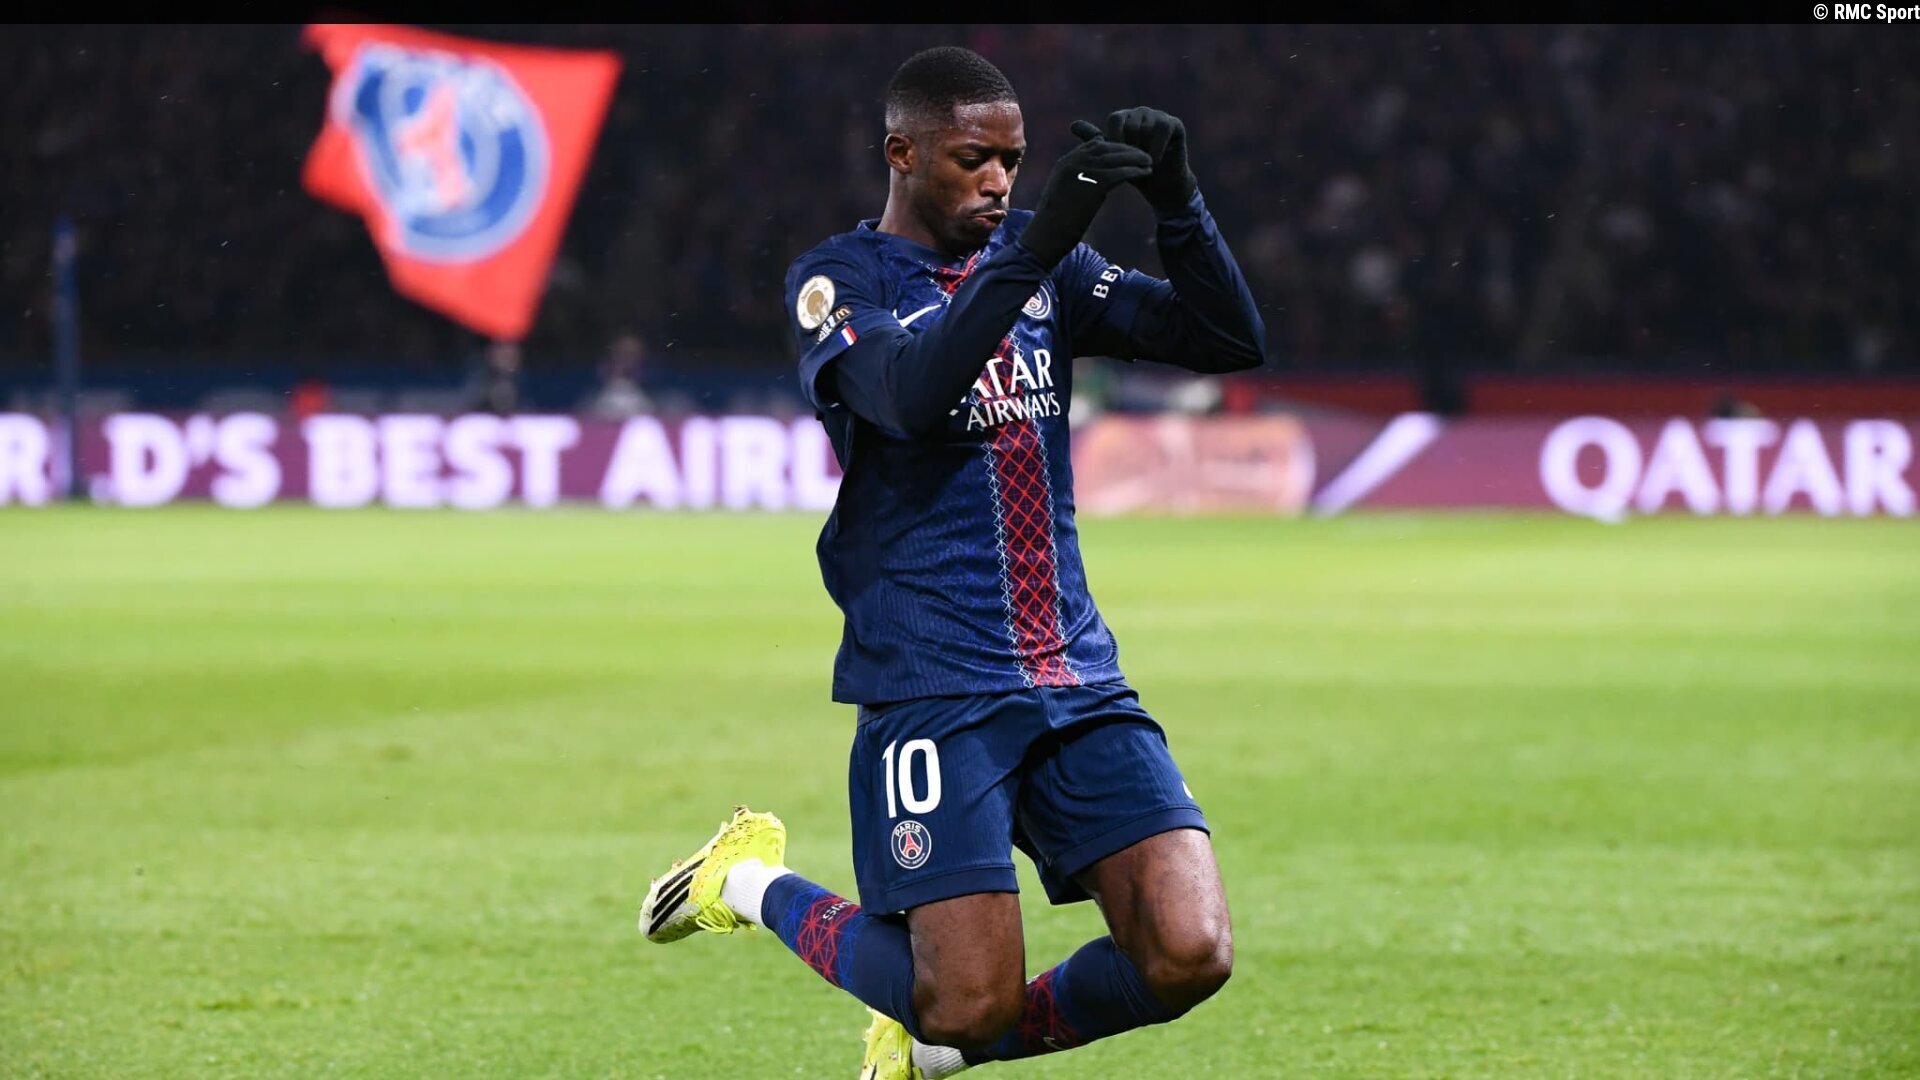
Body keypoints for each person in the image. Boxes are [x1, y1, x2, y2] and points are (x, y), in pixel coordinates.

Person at [638, 46, 1267, 1078]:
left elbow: (1228, 339)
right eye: (974, 159)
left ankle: (931, 1057)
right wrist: (1039, 250)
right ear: (902, 153)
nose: (999, 183)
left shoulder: (1042, 260)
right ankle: (744, 882)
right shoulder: (841, 280)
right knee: (967, 1002)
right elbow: (910, 395)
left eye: (1012, 161)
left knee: (1188, 952)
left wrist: (1179, 201)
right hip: (933, 677)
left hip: (1073, 669)